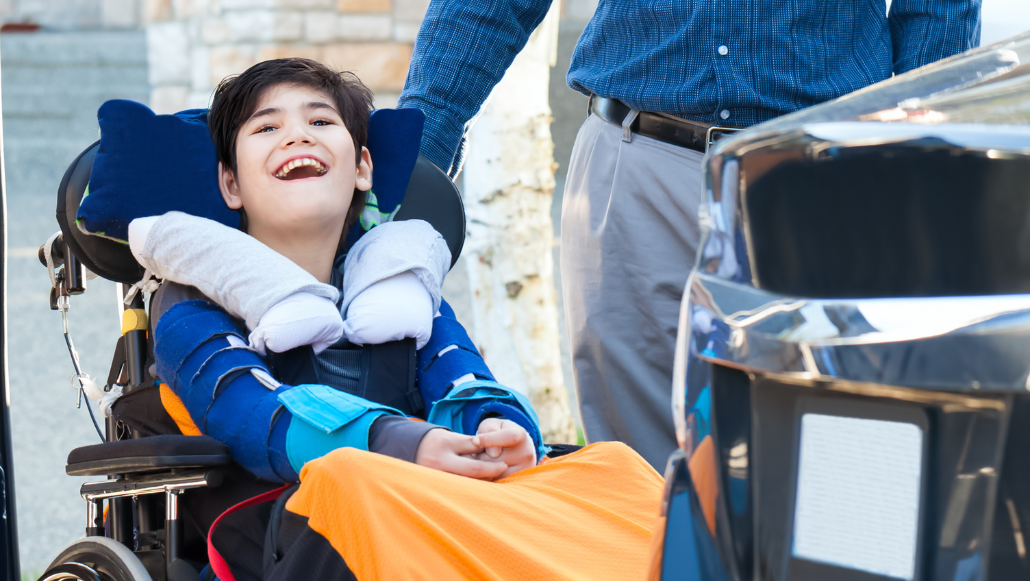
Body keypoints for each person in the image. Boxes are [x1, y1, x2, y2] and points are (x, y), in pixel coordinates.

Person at [131, 58, 662, 581]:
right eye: (267, 128)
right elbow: (249, 413)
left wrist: (496, 430)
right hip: (294, 531)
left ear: (362, 168)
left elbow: (465, 380)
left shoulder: (401, 287)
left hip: (428, 496)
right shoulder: (188, 303)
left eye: (320, 121)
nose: (297, 134)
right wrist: (405, 444)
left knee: (612, 470)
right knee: (354, 476)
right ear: (230, 184)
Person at [398, 0, 983, 469]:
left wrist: (918, 175)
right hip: (634, 167)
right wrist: (412, 169)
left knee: (824, 463)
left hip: (822, 178)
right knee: (636, 479)